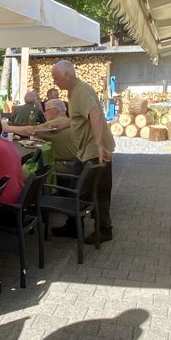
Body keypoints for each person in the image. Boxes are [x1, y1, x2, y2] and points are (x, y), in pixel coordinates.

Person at [52, 59, 115, 244]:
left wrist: (99, 145)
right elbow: (79, 118)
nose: (54, 81)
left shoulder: (81, 91)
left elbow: (95, 113)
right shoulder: (73, 91)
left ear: (68, 76)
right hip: (87, 150)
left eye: (56, 78)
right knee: (78, 189)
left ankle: (104, 230)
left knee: (96, 191)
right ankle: (73, 226)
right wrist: (62, 125)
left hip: (95, 151)